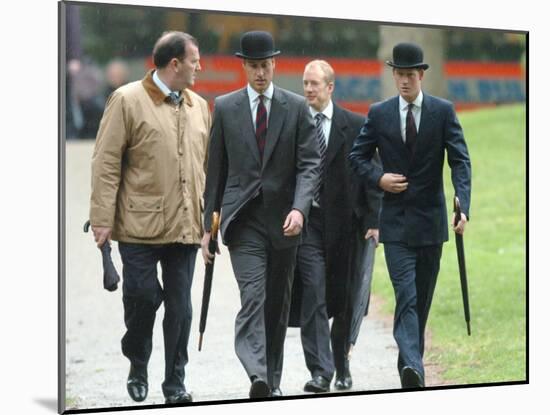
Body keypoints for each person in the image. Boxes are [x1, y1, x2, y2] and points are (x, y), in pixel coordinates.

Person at [89, 31, 211, 404]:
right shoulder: (126, 100)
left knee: (181, 310)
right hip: (138, 227)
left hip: (186, 227)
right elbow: (106, 162)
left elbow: (208, 167)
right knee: (142, 298)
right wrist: (101, 219)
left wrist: (210, 223)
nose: (199, 67)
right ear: (175, 64)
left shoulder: (200, 107)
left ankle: (175, 383)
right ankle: (138, 362)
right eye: (194, 60)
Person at [202, 31, 320, 399]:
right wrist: (207, 227)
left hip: (285, 222)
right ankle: (257, 373)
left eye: (265, 65)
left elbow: (310, 165)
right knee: (253, 297)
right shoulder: (224, 107)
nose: (260, 73)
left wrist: (300, 209)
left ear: (274, 65)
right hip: (243, 222)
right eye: (253, 66)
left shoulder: (296, 107)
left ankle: (272, 377)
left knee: (276, 306)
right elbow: (215, 171)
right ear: (244, 67)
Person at [348, 43, 471, 388]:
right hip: (396, 224)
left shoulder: (443, 112)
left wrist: (464, 202)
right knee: (406, 295)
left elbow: (460, 160)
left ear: (421, 75)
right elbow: (357, 158)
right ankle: (415, 368)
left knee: (421, 297)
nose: (403, 80)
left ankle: (409, 363)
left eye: (409, 74)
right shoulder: (380, 113)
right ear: (394, 75)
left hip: (431, 224)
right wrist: (379, 178)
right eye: (398, 74)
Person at [288, 60, 382, 393]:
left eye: (315, 84)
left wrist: (373, 220)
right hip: (309, 223)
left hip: (346, 224)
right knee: (312, 293)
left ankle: (341, 364)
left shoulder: (355, 125)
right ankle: (320, 371)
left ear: (330, 87)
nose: (309, 89)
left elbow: (372, 173)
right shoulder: (294, 122)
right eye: (305, 83)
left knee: (343, 298)